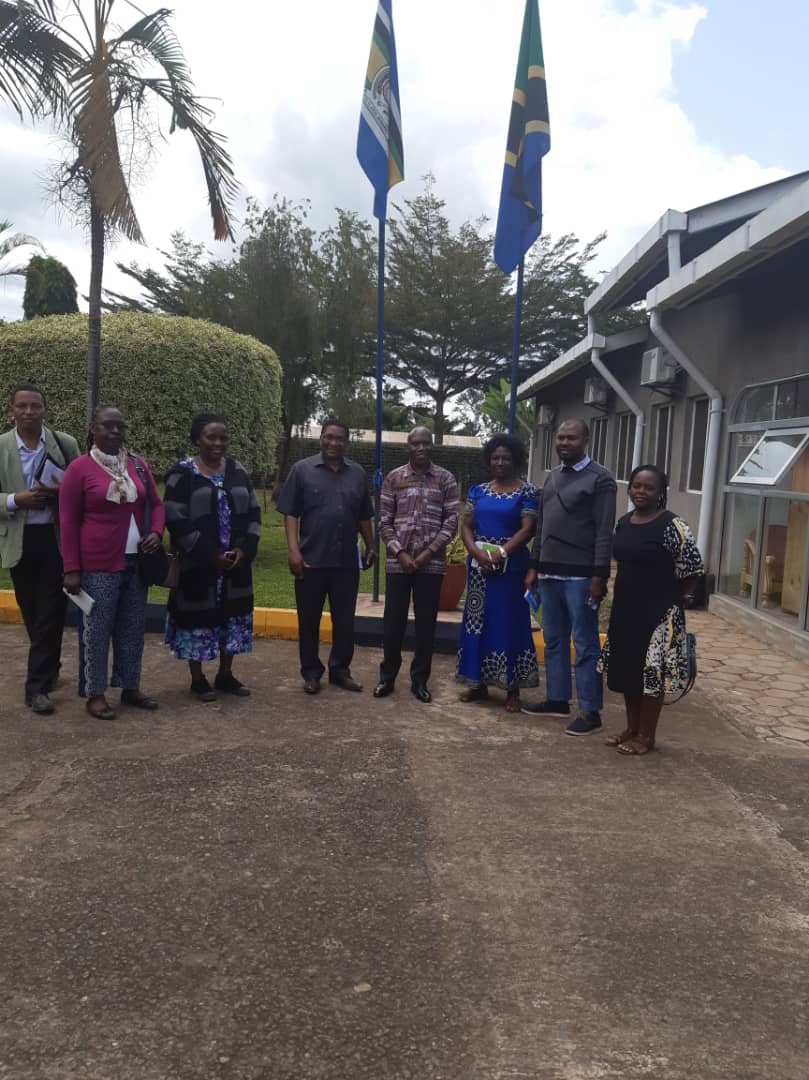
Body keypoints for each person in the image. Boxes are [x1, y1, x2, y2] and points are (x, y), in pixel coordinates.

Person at [60, 405, 164, 720]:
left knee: (133, 628)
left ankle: (130, 686)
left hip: (137, 562)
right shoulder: (79, 469)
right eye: (108, 426)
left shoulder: (137, 464)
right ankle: (95, 693)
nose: (115, 432)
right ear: (94, 428)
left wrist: (157, 533)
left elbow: (156, 505)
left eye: (120, 426)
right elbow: (67, 521)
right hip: (97, 564)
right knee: (96, 630)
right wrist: (71, 568)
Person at [599, 465, 704, 756]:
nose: (641, 492)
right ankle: (632, 729)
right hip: (625, 610)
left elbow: (692, 569)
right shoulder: (624, 522)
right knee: (628, 671)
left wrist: (681, 598)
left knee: (651, 675)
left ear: (661, 493)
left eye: (649, 487)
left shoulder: (673, 526)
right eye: (636, 486)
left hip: (659, 614)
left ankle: (647, 736)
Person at [523, 418, 617, 736]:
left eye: (571, 438)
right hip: (548, 572)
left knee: (586, 643)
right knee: (553, 640)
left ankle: (590, 711)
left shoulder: (600, 479)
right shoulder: (551, 478)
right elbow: (542, 526)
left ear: (585, 440)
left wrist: (599, 576)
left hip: (580, 577)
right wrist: (534, 566)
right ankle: (557, 699)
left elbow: (604, 531)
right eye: (560, 438)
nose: (564, 443)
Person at [163, 413, 261, 701]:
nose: (218, 443)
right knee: (198, 621)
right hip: (198, 565)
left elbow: (254, 514)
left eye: (222, 438)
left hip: (235, 566)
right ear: (197, 439)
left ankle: (225, 675)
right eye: (211, 437)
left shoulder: (237, 470)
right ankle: (198, 678)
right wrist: (209, 554)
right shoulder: (182, 474)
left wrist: (244, 549)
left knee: (233, 619)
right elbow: (174, 517)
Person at [277, 418, 375, 694]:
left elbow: (364, 515)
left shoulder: (357, 473)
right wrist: (293, 551)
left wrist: (370, 545)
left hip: (346, 562)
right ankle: (311, 673)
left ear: (346, 442)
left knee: (345, 621)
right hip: (311, 561)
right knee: (309, 620)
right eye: (328, 437)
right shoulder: (302, 470)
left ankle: (340, 671)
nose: (333, 443)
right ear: (320, 439)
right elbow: (290, 513)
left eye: (339, 438)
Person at [0, 384, 80, 714]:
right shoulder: (1, 447)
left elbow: (81, 488)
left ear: (45, 409)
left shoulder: (65, 443)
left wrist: (61, 493)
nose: (29, 411)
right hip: (19, 542)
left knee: (50, 612)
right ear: (12, 409)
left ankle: (36, 688)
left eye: (35, 406)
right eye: (22, 406)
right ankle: (48, 667)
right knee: (31, 610)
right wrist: (15, 500)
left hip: (55, 539)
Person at [374, 427, 459, 704]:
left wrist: (426, 554)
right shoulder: (394, 478)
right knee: (392, 622)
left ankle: (420, 680)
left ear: (432, 446)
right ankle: (387, 677)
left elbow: (451, 522)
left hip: (430, 566)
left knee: (426, 625)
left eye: (425, 443)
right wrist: (400, 553)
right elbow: (384, 520)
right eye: (415, 443)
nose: (420, 448)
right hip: (398, 564)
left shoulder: (446, 479)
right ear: (407, 447)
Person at [456, 434, 539, 712]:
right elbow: (466, 525)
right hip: (480, 569)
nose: (500, 462)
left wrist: (500, 553)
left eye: (505, 457)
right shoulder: (477, 491)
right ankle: (477, 683)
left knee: (509, 623)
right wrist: (477, 554)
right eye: (495, 457)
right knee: (477, 622)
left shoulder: (527, 492)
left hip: (510, 569)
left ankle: (512, 689)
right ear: (489, 461)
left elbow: (527, 529)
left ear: (515, 459)